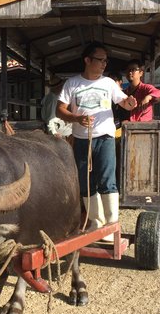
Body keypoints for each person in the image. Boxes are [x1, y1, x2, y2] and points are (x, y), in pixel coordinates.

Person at [57, 41, 137, 241]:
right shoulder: (72, 83)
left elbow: (124, 103)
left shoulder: (108, 83)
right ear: (87, 60)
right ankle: (96, 222)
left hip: (105, 137)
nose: (104, 64)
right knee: (85, 180)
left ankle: (111, 225)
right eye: (100, 60)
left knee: (107, 179)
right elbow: (60, 109)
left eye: (105, 60)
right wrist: (76, 118)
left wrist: (130, 103)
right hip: (82, 139)